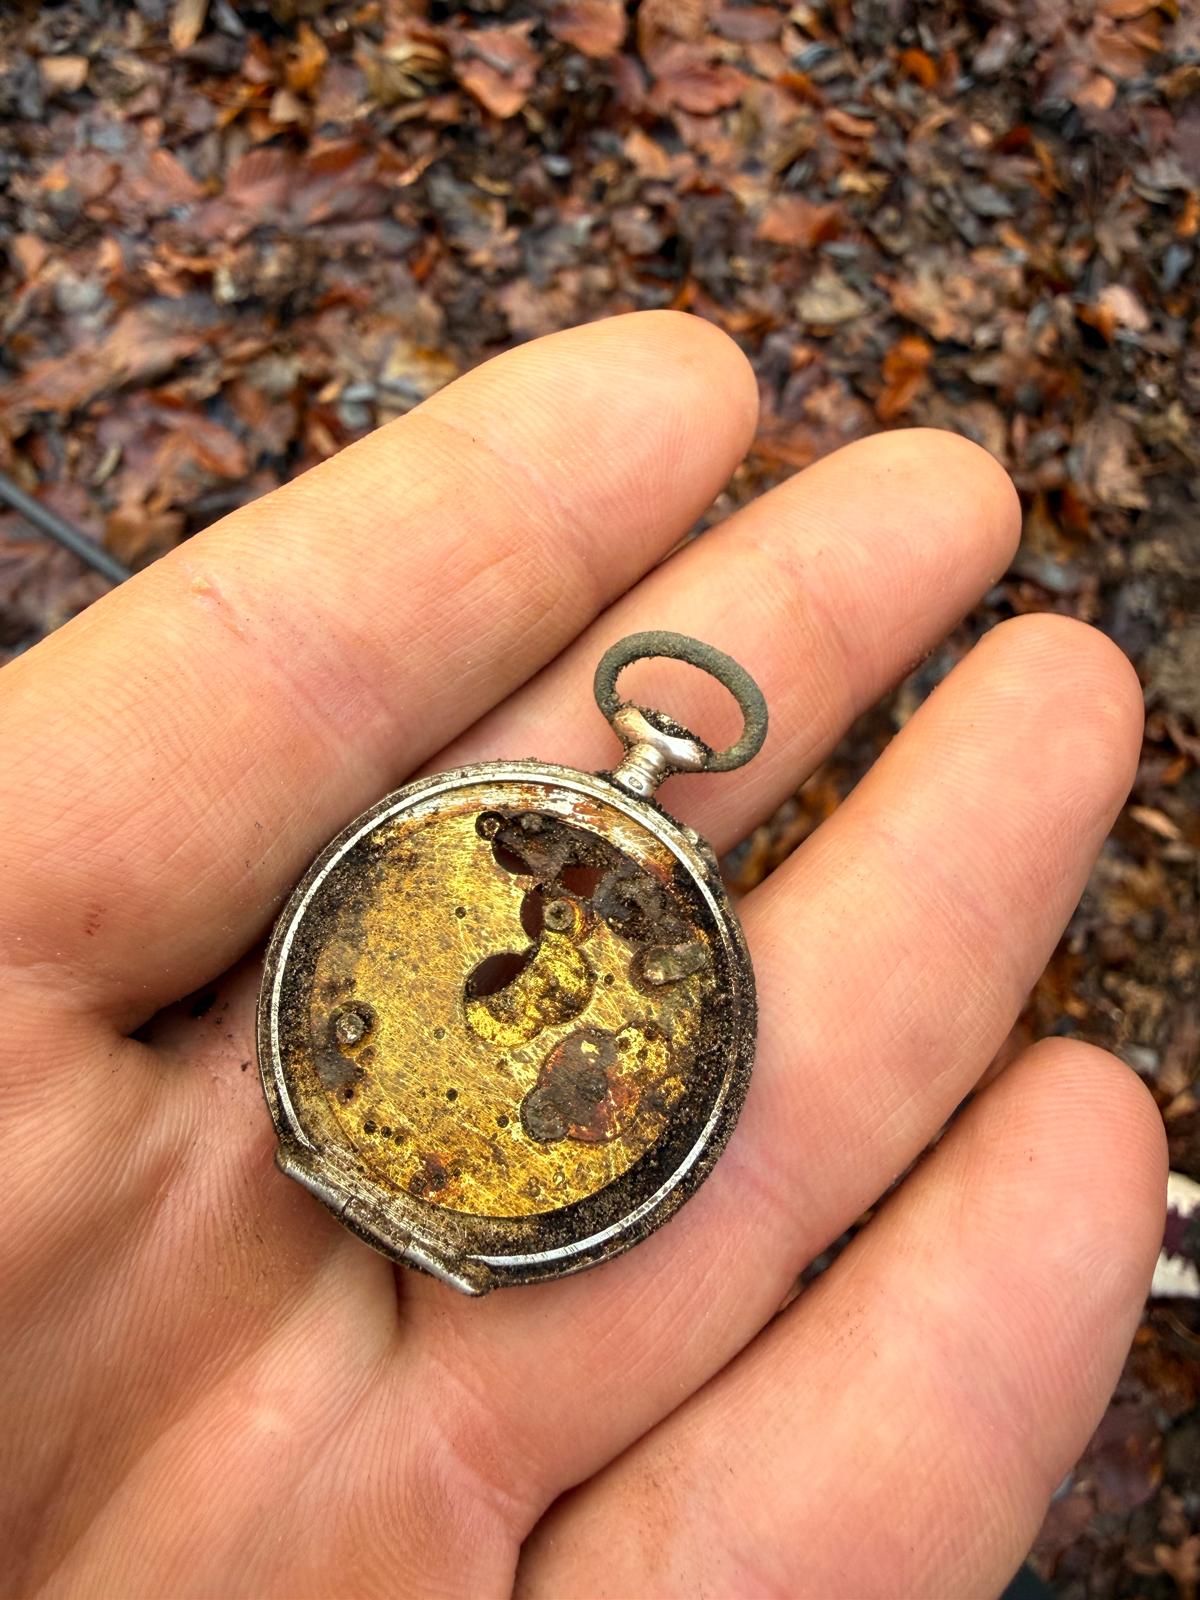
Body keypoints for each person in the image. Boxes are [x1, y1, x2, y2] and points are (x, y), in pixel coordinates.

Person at [0, 312, 1165, 1599]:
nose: (554, 974)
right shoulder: (492, 927)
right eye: (552, 956)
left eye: (564, 965)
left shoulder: (610, 985)